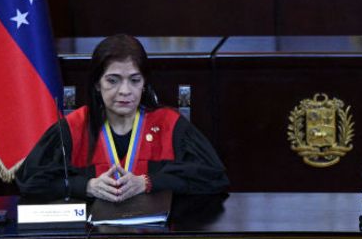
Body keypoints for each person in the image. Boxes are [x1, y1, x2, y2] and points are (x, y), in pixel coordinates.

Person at [17, 34, 229, 202]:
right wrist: (86, 186)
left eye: (134, 80)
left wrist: (149, 182)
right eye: (113, 81)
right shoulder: (73, 128)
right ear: (97, 84)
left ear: (144, 83)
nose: (125, 91)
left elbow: (214, 179)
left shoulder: (169, 125)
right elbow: (30, 183)